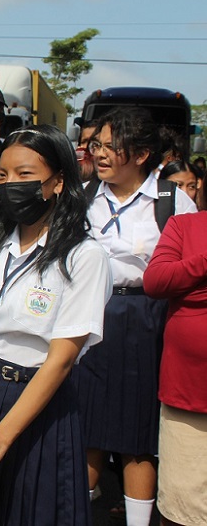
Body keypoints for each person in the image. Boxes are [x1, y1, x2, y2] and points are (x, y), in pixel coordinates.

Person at [0, 125, 111, 525]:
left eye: (25, 175)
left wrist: (0, 439)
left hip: (40, 403)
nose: (9, 184)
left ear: (58, 180)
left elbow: (60, 361)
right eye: (3, 175)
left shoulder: (84, 256)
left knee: (32, 508)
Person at [73, 107, 197, 526]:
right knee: (85, 422)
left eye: (112, 145)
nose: (101, 153)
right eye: (97, 144)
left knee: (136, 432)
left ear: (142, 154)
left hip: (148, 318)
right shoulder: (84, 195)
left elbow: (189, 265)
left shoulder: (171, 199)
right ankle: (77, 512)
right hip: (91, 313)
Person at [144, 171, 207, 526]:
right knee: (182, 507)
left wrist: (192, 285)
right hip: (189, 395)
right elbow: (156, 281)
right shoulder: (185, 226)